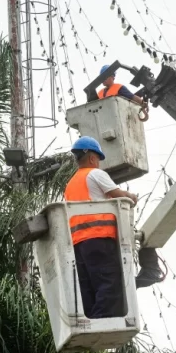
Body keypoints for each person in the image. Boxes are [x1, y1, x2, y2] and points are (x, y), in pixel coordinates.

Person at [64, 136, 138, 319]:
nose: (98, 163)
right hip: (99, 237)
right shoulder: (95, 174)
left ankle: (91, 320)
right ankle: (102, 320)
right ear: (91, 157)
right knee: (109, 283)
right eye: (98, 158)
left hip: (79, 243)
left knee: (89, 286)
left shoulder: (71, 183)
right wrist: (132, 196)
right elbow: (120, 196)